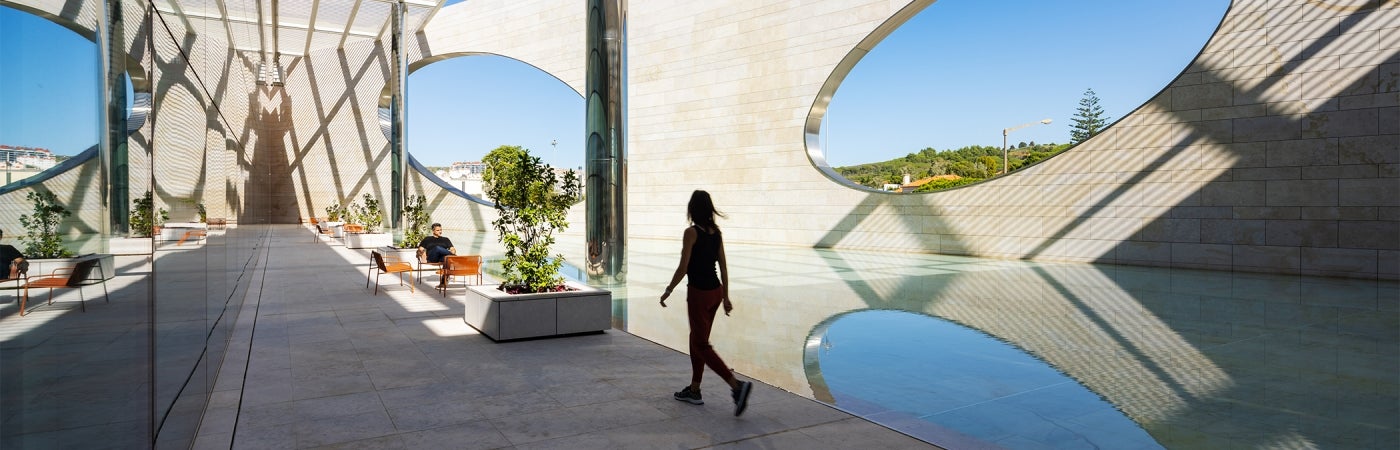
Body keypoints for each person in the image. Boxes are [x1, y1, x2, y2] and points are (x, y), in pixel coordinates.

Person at [659, 190, 753, 416]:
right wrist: (726, 296)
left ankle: (737, 386)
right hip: (716, 292)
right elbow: (723, 267)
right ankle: (694, 389)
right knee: (697, 340)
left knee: (701, 345)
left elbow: (683, 267)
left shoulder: (691, 233)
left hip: (699, 294)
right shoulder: (716, 233)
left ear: (692, 209)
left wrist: (668, 290)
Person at [417, 223, 456, 287]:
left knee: (447, 259)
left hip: (441, 258)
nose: (440, 231)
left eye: (441, 230)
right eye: (438, 230)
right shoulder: (427, 239)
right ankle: (456, 259)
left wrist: (453, 251)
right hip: (432, 258)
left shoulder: (446, 239)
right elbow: (420, 249)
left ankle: (443, 282)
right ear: (433, 231)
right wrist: (421, 253)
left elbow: (453, 249)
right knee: (437, 248)